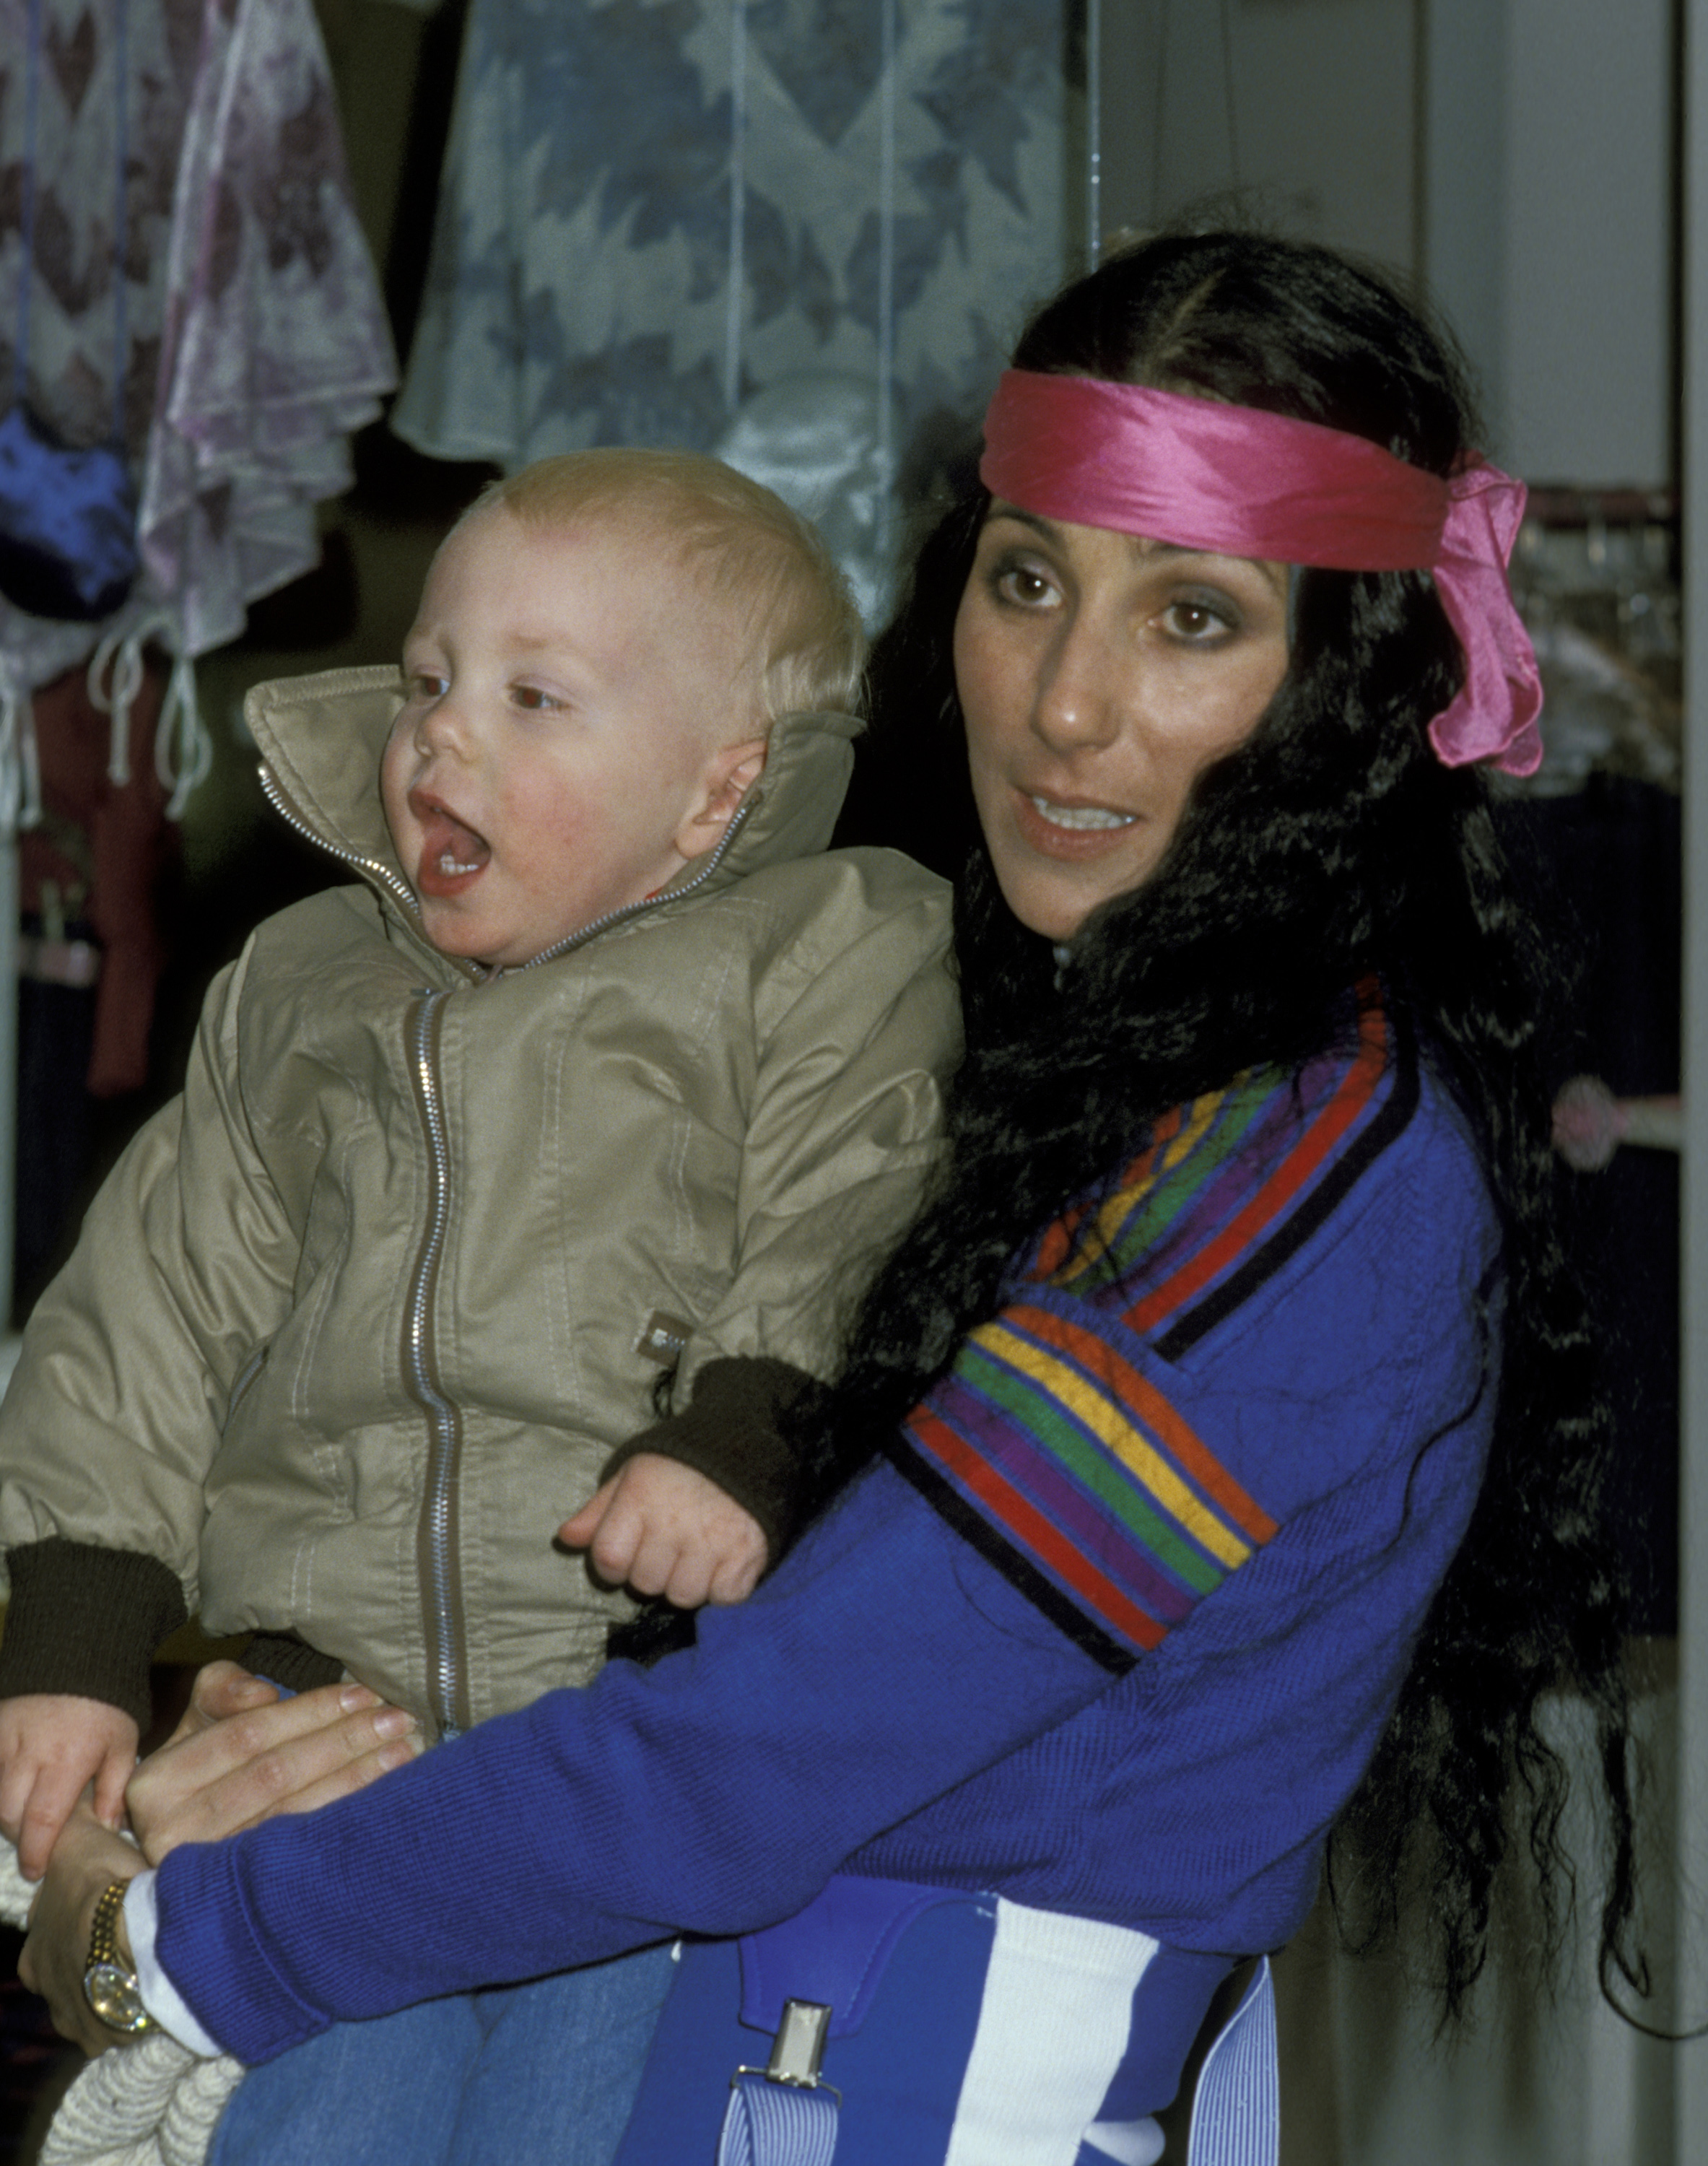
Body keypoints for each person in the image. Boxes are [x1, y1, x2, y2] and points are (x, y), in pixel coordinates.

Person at [22, 232, 1636, 2166]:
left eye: (1189, 620)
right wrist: (273, 1713)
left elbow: (747, 1758)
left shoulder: (1301, 1174)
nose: (1060, 702)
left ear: (1343, 686)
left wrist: (172, 1940)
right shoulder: (1006, 1048)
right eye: (1024, 580)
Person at [0, 451, 957, 2153]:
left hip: (633, 1719)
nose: (445, 734)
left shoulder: (822, 950)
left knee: (579, 2110)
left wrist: (744, 1430)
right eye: (430, 681)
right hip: (334, 1737)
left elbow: (858, 1198)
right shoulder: (303, 989)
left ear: (714, 791)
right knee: (316, 2126)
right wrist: (73, 1635)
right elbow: (145, 1306)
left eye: (536, 697)